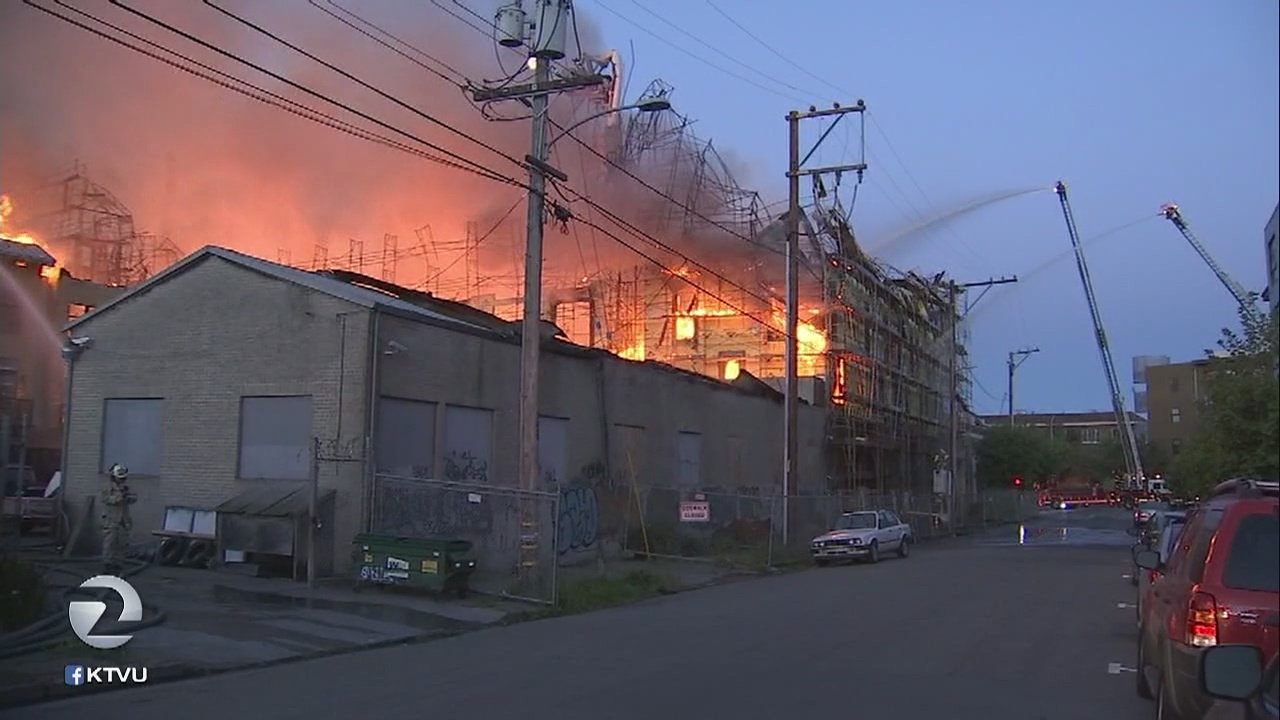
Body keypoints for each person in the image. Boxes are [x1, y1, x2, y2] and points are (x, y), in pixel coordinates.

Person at [101, 463, 137, 575]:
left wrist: (128, 497)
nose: (121, 480)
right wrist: (119, 497)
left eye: (122, 478)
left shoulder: (126, 487)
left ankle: (118, 563)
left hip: (123, 519)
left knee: (122, 543)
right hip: (111, 519)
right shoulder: (107, 487)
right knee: (110, 542)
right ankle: (108, 564)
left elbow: (134, 497)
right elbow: (106, 499)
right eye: (119, 478)